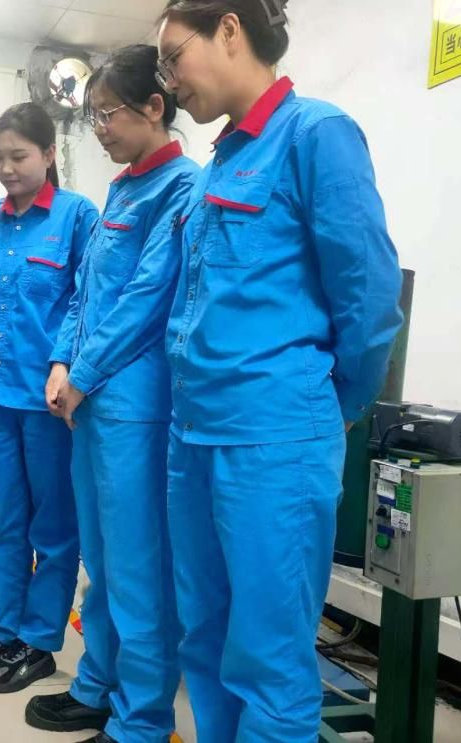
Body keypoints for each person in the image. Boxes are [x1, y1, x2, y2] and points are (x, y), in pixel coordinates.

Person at [156, 2, 403, 741]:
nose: (168, 81)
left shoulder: (316, 133)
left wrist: (336, 405)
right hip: (194, 433)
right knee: (204, 633)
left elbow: (368, 294)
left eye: (173, 57)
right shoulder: (217, 164)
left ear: (229, 30)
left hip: (273, 439)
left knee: (268, 659)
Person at [25, 45, 201, 743]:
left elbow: (147, 299)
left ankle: (143, 718)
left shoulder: (182, 188)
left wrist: (84, 373)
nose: (97, 129)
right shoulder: (122, 189)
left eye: (107, 115)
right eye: (93, 116)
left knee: (136, 567)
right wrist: (60, 361)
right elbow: (85, 291)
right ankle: (97, 684)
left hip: (134, 406)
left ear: (155, 108)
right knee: (99, 559)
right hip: (91, 400)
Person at [0, 102, 99, 693]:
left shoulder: (77, 216)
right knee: (7, 521)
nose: (7, 169)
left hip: (49, 400)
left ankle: (39, 639)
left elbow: (87, 300)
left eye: (19, 156)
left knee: (53, 527)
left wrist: (65, 364)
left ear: (49, 154)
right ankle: (5, 628)